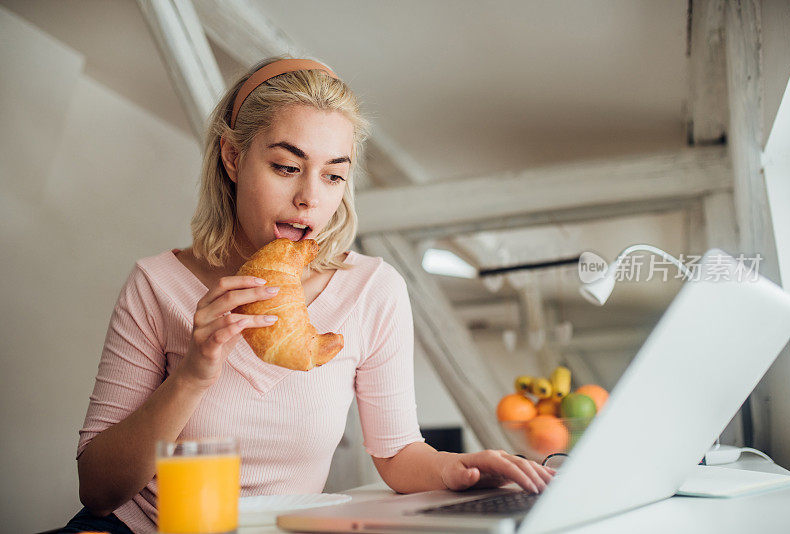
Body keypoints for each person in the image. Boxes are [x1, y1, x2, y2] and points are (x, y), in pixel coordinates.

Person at [60, 56, 555, 534]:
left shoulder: (372, 290)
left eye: (333, 175)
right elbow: (99, 490)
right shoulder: (156, 284)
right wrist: (192, 375)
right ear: (233, 158)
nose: (310, 198)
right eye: (285, 166)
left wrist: (457, 470)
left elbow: (397, 453)